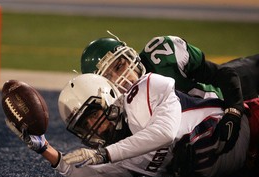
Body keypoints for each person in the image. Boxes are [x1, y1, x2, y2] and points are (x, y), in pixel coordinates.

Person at [6, 73, 259, 177]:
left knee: (198, 145)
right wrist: (46, 150)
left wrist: (105, 154)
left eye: (93, 115)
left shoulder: (144, 93)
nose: (93, 127)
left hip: (251, 124)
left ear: (109, 98)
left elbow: (164, 133)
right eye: (83, 125)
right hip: (244, 166)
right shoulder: (121, 154)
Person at [80, 35, 259, 155]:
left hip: (238, 92)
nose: (121, 79)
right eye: (109, 78)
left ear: (131, 56)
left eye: (119, 67)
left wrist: (233, 111)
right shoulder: (120, 112)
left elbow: (226, 76)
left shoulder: (162, 58)